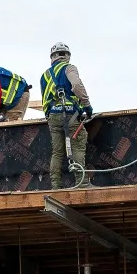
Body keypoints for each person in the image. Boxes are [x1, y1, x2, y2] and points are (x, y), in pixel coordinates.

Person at [41, 42, 94, 187]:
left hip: (53, 117)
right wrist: (87, 106)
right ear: (67, 56)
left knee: (57, 152)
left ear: (52, 57)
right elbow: (76, 85)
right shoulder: (69, 68)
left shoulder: (44, 76)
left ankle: (55, 186)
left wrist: (50, 116)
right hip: (70, 114)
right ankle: (81, 184)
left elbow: (45, 100)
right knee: (77, 146)